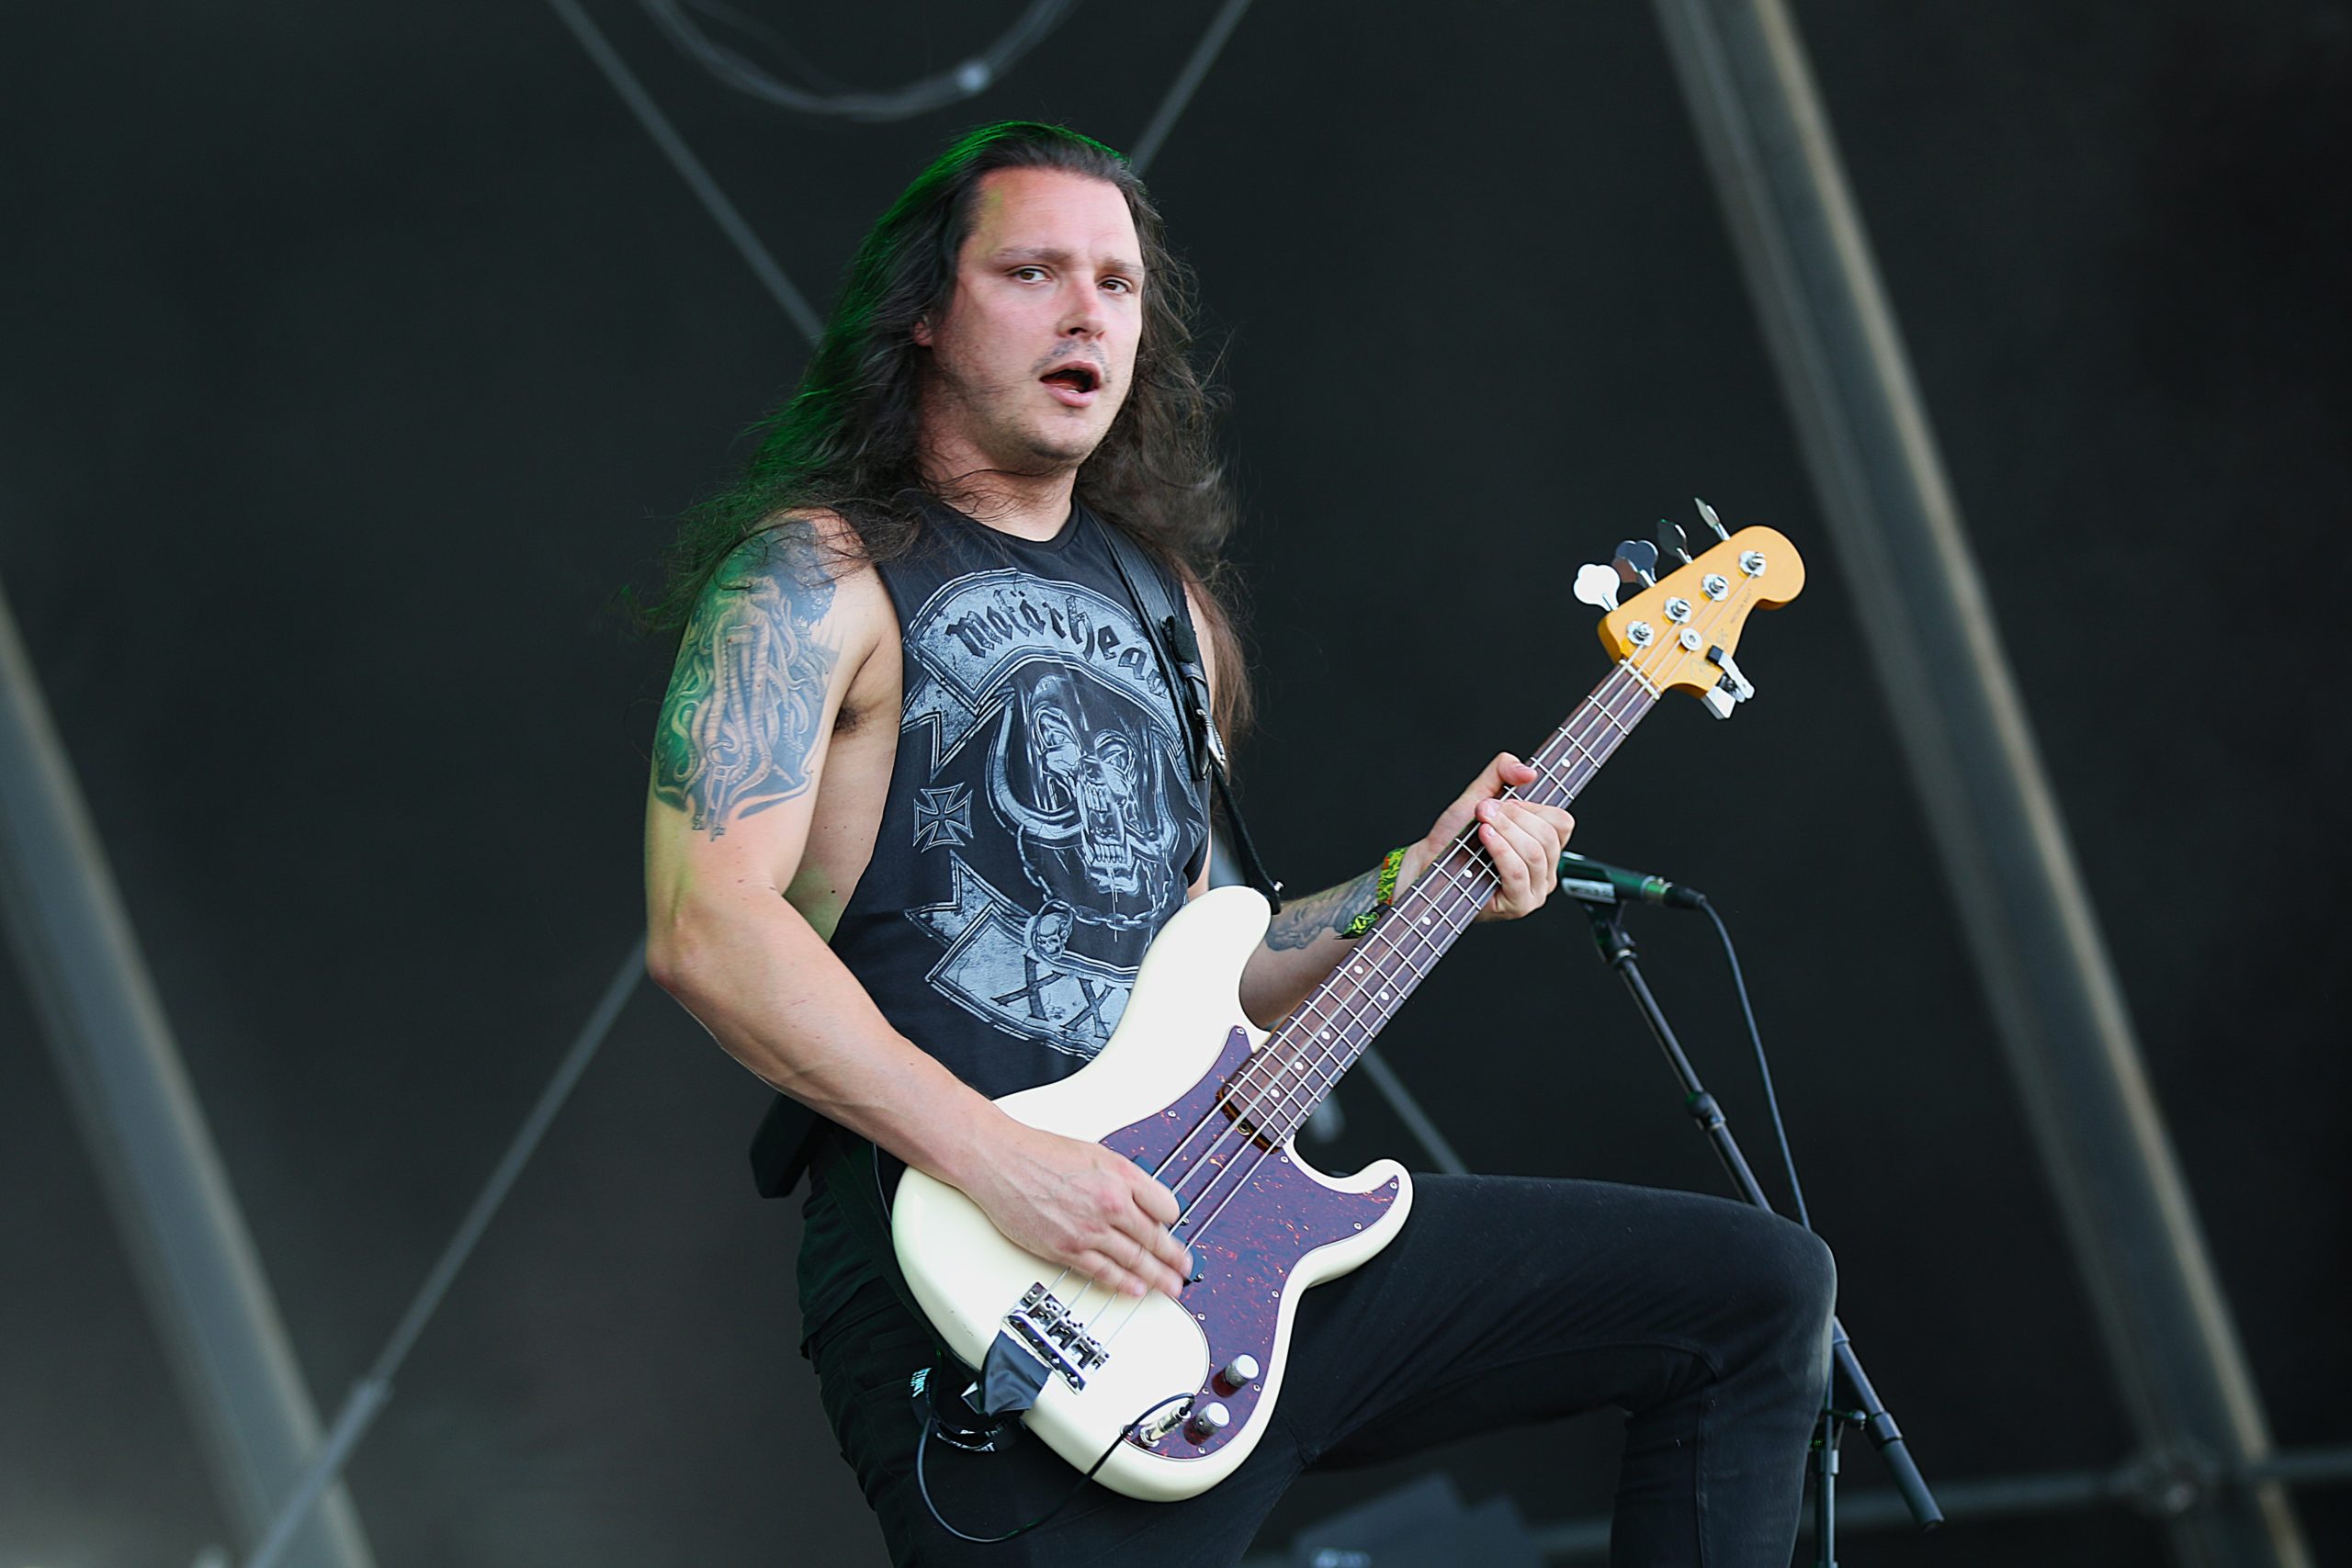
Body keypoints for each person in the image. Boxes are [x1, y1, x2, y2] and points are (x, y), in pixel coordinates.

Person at [643, 121, 1833, 1567]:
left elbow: (1208, 969)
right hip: (977, 1268)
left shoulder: (1171, 615)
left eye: (1118, 284)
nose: (1088, 313)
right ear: (924, 315)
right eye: (1032, 272)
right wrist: (1006, 1163)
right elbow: (709, 927)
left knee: (1754, 1295)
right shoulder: (813, 576)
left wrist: (1414, 881)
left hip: (1223, 1231)